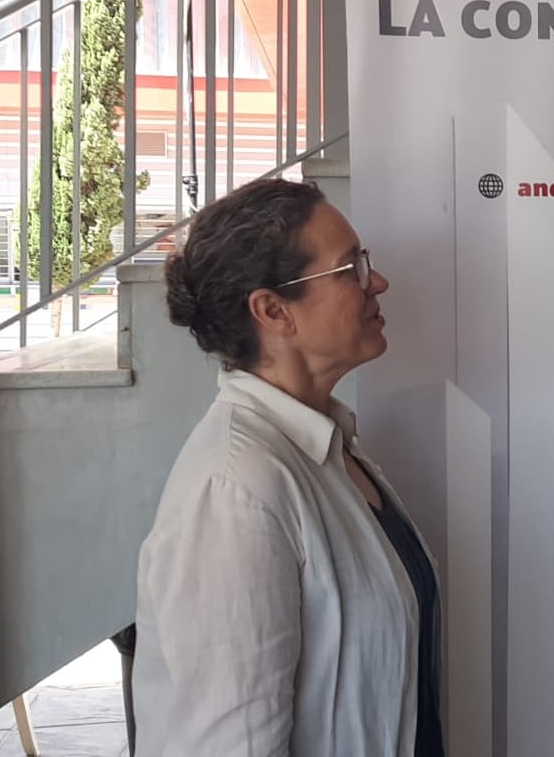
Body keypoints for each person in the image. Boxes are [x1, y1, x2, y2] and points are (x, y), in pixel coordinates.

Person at [131, 177, 443, 757]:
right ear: (273, 311)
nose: (377, 282)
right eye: (349, 268)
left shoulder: (328, 449)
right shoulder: (234, 490)